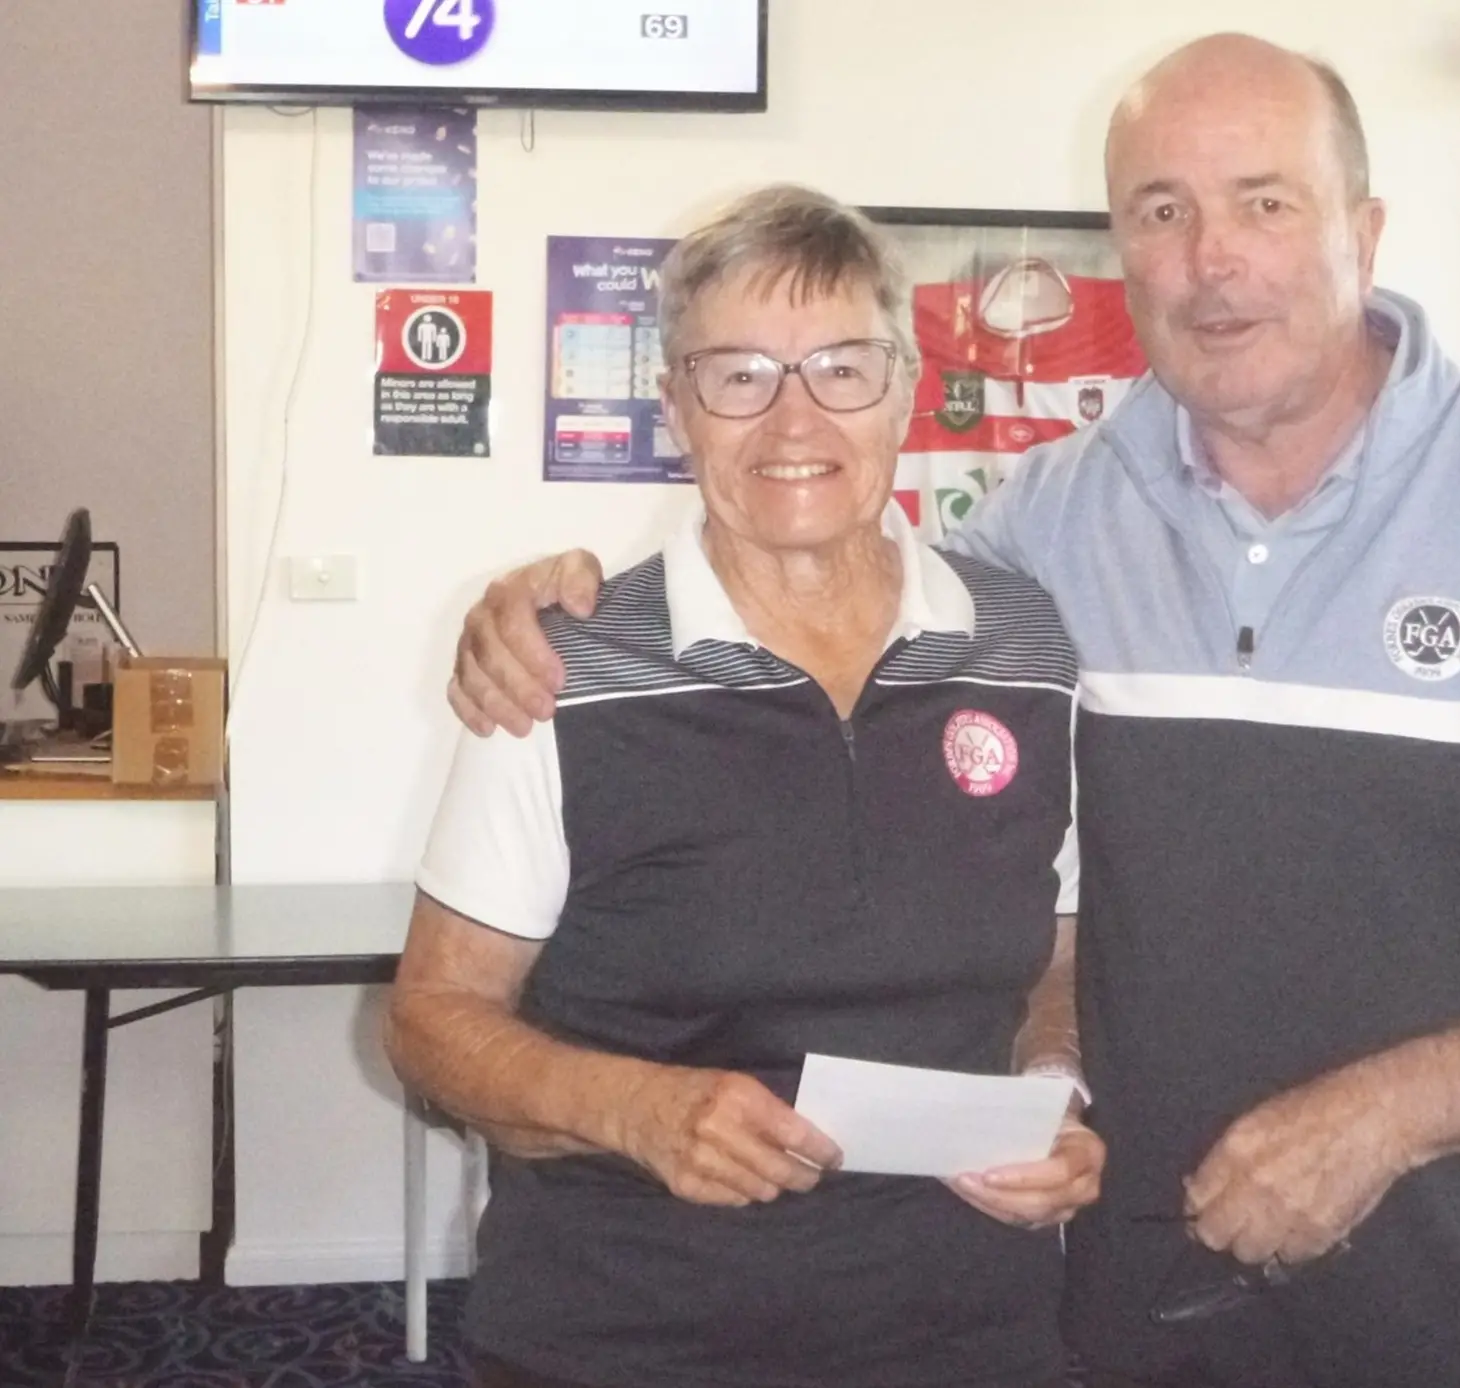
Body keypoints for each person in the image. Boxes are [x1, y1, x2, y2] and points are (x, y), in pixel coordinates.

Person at [445, 35, 1460, 1388]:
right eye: (1160, 212)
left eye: (1262, 202)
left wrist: (1393, 1116)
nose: (1210, 258)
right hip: (1150, 1309)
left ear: (1366, 226)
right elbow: (825, 570)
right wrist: (552, 607)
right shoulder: (1042, 543)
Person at [388, 186, 1103, 1388]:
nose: (793, 419)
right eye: (738, 375)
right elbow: (429, 1021)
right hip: (629, 1335)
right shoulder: (563, 663)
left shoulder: (1028, 644)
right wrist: (635, 1108)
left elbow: (1060, 953)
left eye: (842, 367)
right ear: (675, 406)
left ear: (908, 388)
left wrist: (1050, 1092)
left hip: (966, 1329)